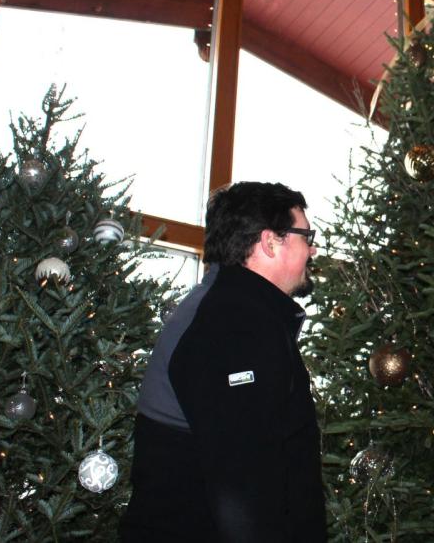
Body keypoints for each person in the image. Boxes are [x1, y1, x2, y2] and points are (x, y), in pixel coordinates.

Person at [120, 182, 325, 542]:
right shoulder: (232, 324)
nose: (312, 249)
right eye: (306, 236)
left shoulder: (239, 311)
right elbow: (243, 486)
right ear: (270, 241)